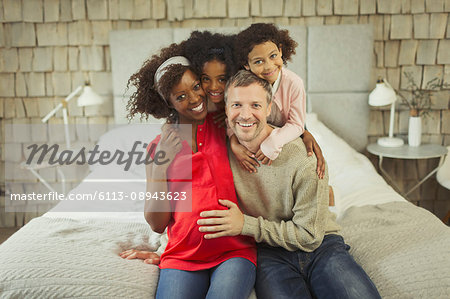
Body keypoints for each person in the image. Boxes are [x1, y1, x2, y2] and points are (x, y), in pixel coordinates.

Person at [197, 70, 381, 299]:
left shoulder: (303, 158)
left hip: (321, 246)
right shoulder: (220, 154)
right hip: (269, 253)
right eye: (236, 105)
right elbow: (193, 200)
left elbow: (309, 236)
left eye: (255, 105)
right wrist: (168, 249)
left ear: (269, 108)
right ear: (226, 109)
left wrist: (246, 224)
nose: (245, 115)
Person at [120, 43, 256, 299]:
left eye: (196, 87)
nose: (194, 99)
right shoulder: (158, 148)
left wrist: (302, 133)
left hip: (233, 251)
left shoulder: (227, 125)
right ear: (168, 103)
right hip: (182, 256)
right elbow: (157, 224)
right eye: (181, 96)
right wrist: (160, 167)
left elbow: (268, 103)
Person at [184, 29, 326, 178]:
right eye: (206, 79)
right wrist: (233, 143)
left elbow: (294, 121)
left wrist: (304, 132)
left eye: (222, 79)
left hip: (278, 137)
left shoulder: (260, 83)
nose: (214, 87)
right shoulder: (199, 105)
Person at [230, 23, 325, 177]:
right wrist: (234, 143)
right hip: (255, 143)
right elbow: (232, 117)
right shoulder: (243, 85)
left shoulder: (294, 83)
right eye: (258, 61)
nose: (269, 66)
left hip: (283, 138)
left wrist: (273, 142)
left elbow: (296, 124)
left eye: (273, 56)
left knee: (310, 167)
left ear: (280, 51)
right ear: (246, 65)